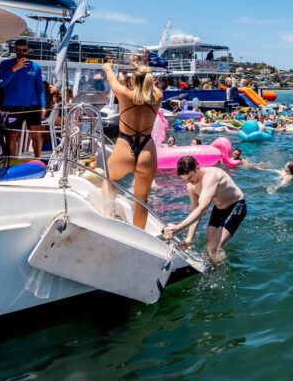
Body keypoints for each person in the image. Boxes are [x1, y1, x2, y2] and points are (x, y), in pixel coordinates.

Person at [102, 63, 162, 229]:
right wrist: (139, 68)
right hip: (146, 150)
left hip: (125, 146)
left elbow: (112, 79)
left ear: (134, 79)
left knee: (109, 179)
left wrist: (108, 68)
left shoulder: (124, 94)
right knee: (141, 199)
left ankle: (108, 219)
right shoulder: (158, 96)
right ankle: (139, 236)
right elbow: (150, 88)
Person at [163, 156, 246, 261]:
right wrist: (189, 238)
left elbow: (203, 208)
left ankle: (222, 274)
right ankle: (213, 267)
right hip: (219, 209)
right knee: (209, 247)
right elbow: (195, 212)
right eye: (185, 180)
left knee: (213, 247)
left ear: (197, 168)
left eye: (190, 177)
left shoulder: (212, 175)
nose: (189, 182)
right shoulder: (191, 186)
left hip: (236, 206)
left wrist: (178, 228)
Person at [0, 39, 46, 157]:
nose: (21, 52)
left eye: (24, 50)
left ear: (28, 50)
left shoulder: (35, 67)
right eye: (18, 50)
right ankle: (12, 161)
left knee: (36, 133)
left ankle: (38, 159)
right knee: (12, 134)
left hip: (31, 106)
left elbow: (40, 89)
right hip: (12, 106)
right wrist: (14, 68)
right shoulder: (5, 64)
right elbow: (1, 83)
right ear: (15, 50)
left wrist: (43, 105)